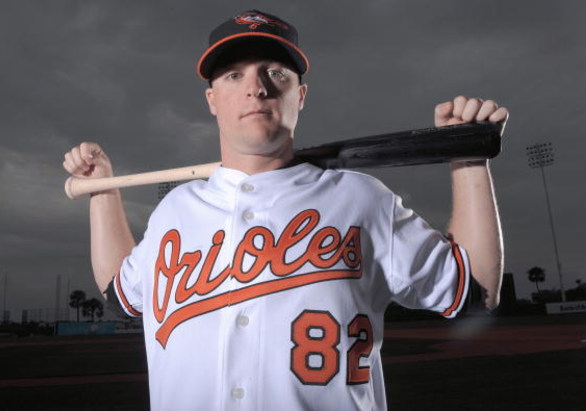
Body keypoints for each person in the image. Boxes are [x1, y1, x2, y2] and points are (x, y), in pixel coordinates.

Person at [63, 10, 508, 411]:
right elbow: (120, 295)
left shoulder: (361, 200)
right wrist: (103, 190)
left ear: (301, 94)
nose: (256, 87)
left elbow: (475, 291)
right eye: (233, 76)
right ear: (212, 101)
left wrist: (466, 157)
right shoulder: (175, 211)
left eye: (275, 72)